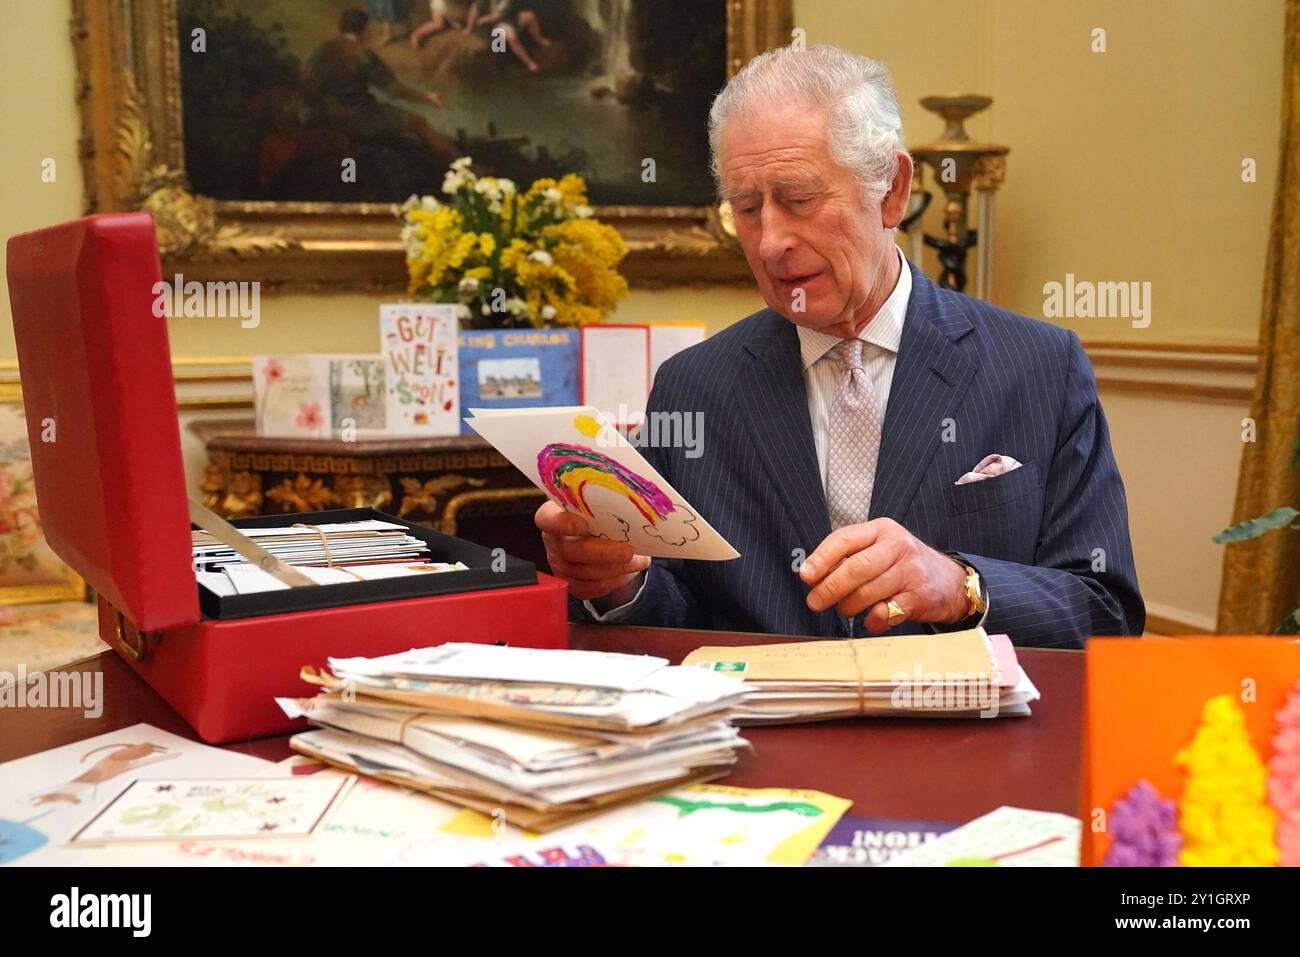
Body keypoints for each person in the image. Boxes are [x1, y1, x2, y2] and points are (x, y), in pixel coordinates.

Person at [535, 45, 1144, 649]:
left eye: (799, 199)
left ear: (892, 192)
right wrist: (616, 583)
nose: (771, 242)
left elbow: (1107, 612)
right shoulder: (693, 386)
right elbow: (677, 614)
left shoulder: (1039, 366)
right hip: (761, 738)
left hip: (959, 737)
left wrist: (962, 587)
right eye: (746, 210)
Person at [303, 9, 462, 166]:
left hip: (326, 113)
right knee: (418, 123)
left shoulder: (323, 49)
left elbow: (305, 79)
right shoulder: (362, 53)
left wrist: (323, 103)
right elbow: (394, 90)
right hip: (358, 115)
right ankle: (466, 168)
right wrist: (427, 97)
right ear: (365, 29)